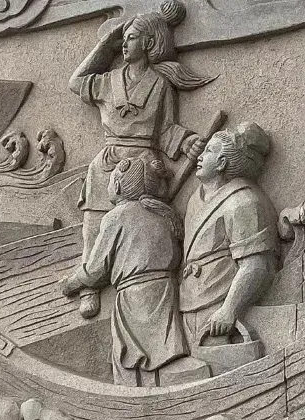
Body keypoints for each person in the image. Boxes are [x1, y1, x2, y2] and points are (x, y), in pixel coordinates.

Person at [67, 0, 214, 319]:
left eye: (131, 38)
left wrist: (187, 141)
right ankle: (90, 285)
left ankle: (136, 280)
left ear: (148, 42)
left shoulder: (160, 84)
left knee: (141, 224)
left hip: (144, 163)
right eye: (123, 39)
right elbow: (76, 82)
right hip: (108, 161)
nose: (124, 44)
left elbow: (166, 129)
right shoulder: (108, 80)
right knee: (94, 224)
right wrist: (103, 46)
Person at [59, 157, 189, 387]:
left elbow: (96, 270)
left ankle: (137, 400)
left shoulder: (116, 216)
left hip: (134, 296)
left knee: (129, 358)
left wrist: (71, 283)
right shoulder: (165, 213)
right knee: (162, 353)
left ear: (118, 185)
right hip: (166, 291)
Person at [179, 122, 279, 370]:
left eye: (209, 151)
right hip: (190, 299)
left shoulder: (244, 201)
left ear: (222, 163)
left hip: (220, 300)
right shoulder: (194, 200)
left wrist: (229, 310)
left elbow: (256, 264)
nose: (200, 156)